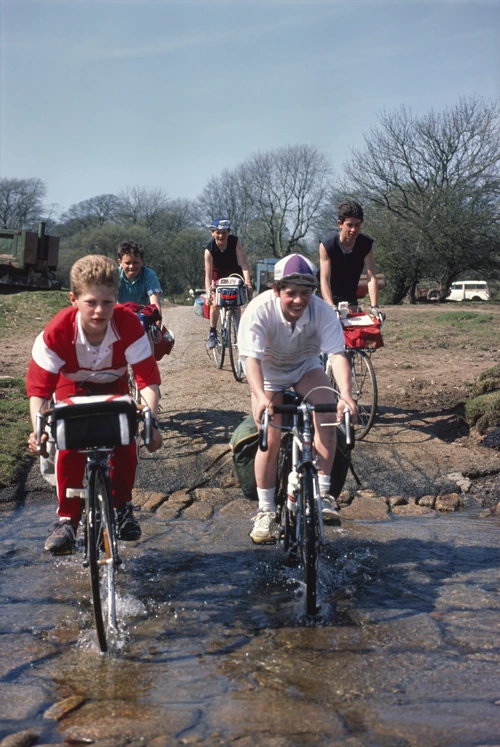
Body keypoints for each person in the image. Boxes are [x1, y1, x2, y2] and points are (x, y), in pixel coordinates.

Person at [26, 255, 163, 555]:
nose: (100, 311)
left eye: (107, 302)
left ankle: (123, 507)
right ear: (73, 299)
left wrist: (150, 423)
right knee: (69, 443)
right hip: (70, 384)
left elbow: (147, 382)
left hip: (112, 384)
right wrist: (39, 430)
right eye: (90, 302)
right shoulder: (58, 331)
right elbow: (39, 391)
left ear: (117, 298)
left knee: (126, 439)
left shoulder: (128, 324)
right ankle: (67, 520)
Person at [237, 253, 357, 544]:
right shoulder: (259, 309)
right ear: (276, 290)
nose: (299, 301)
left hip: (305, 367)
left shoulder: (322, 311)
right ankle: (266, 510)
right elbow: (249, 359)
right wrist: (260, 397)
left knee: (327, 414)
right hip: (268, 374)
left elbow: (337, 355)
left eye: (306, 293)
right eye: (290, 293)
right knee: (271, 428)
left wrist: (346, 396)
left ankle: (324, 493)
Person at [319, 200, 384, 321]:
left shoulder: (366, 244)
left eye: (357, 225)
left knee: (353, 331)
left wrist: (374, 306)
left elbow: (371, 278)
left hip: (349, 293)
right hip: (325, 294)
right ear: (340, 224)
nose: (353, 230)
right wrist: (331, 306)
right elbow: (324, 280)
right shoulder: (328, 245)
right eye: (349, 225)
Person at [204, 218, 252, 349]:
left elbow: (244, 264)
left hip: (233, 272)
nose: (221, 236)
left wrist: (248, 282)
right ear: (212, 233)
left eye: (224, 232)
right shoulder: (209, 250)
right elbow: (207, 275)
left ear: (228, 233)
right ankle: (212, 332)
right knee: (215, 303)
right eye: (217, 232)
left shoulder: (235, 242)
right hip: (217, 274)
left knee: (237, 303)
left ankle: (239, 331)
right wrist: (209, 292)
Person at [117, 241, 163, 319]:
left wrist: (157, 329)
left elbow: (155, 307)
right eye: (127, 263)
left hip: (144, 316)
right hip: (121, 315)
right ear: (120, 262)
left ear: (142, 261)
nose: (131, 266)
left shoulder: (149, 275)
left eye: (135, 262)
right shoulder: (114, 275)